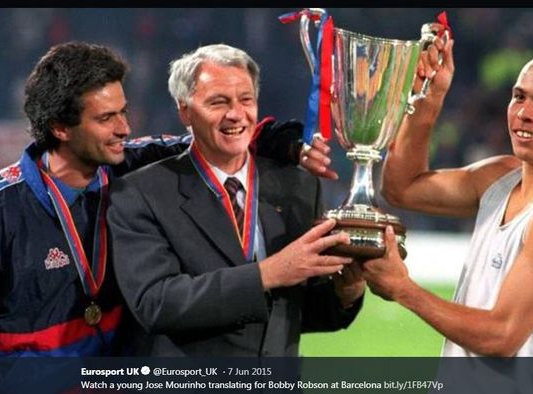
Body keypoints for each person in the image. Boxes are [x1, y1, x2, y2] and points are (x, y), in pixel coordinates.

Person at [0, 41, 334, 357]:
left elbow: (213, 139)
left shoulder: (131, 164)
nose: (124, 128)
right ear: (61, 127)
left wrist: (287, 143)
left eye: (123, 111)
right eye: (106, 118)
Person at [107, 43, 366, 356]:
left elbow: (288, 313)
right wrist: (267, 273)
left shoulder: (297, 187)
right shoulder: (139, 192)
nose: (235, 114)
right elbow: (157, 303)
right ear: (184, 110)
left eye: (246, 99)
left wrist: (344, 293)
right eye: (218, 102)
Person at [362, 32, 533, 359]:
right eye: (519, 97)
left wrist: (403, 289)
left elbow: (501, 337)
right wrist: (429, 98)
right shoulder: (500, 178)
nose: (524, 113)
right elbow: (401, 188)